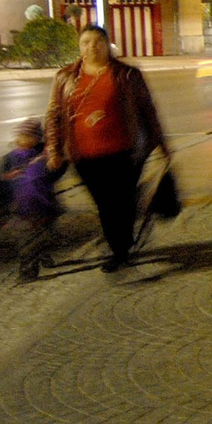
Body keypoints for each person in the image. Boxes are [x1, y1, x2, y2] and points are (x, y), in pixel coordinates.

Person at [44, 25, 168, 272]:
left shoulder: (127, 74)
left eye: (98, 41)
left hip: (124, 152)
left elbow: (147, 110)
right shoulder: (65, 77)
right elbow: (54, 113)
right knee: (105, 203)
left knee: (120, 202)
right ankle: (121, 242)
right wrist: (54, 149)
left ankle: (119, 251)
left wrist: (161, 144)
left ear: (107, 44)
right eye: (86, 42)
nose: (92, 46)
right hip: (83, 155)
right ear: (80, 47)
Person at [0, 119, 63, 282]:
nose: (23, 140)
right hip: (22, 207)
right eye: (21, 136)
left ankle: (43, 254)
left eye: (28, 136)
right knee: (28, 241)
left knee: (46, 235)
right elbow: (0, 185)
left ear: (37, 139)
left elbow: (56, 173)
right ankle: (27, 271)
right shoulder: (9, 160)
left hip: (44, 204)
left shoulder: (44, 156)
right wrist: (1, 208)